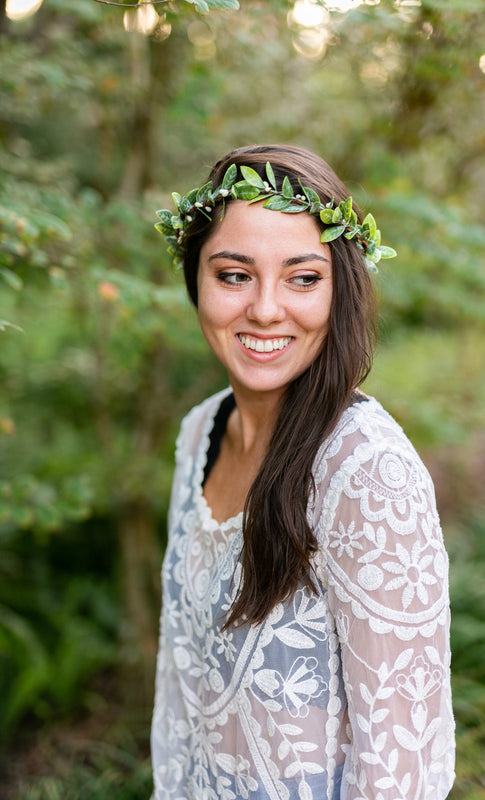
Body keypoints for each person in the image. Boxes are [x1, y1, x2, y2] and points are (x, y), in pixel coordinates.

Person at [151, 144, 455, 800]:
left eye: (302, 277)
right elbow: (182, 688)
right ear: (195, 282)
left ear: (339, 286)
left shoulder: (367, 473)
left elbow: (400, 765)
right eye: (234, 274)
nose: (264, 309)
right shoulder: (200, 432)